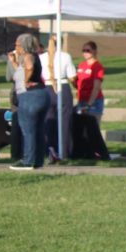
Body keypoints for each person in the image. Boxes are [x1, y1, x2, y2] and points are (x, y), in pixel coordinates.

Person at [39, 34, 77, 162]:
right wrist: (76, 86)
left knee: (49, 121)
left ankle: (50, 151)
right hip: (63, 87)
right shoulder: (65, 56)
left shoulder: (41, 57)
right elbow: (72, 76)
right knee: (65, 122)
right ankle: (65, 152)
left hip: (47, 88)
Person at [11, 51, 49, 170]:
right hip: (41, 94)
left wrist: (26, 81)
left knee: (28, 131)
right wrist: (14, 62)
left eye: (17, 45)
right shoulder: (35, 57)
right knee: (38, 129)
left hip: (29, 96)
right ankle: (38, 160)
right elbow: (26, 69)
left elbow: (29, 67)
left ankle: (28, 160)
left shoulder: (28, 57)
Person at [75, 41, 105, 123]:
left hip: (93, 101)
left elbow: (96, 87)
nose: (85, 53)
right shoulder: (81, 65)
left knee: (93, 130)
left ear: (94, 51)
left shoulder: (97, 66)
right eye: (83, 50)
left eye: (88, 50)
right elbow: (78, 82)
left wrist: (89, 104)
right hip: (81, 100)